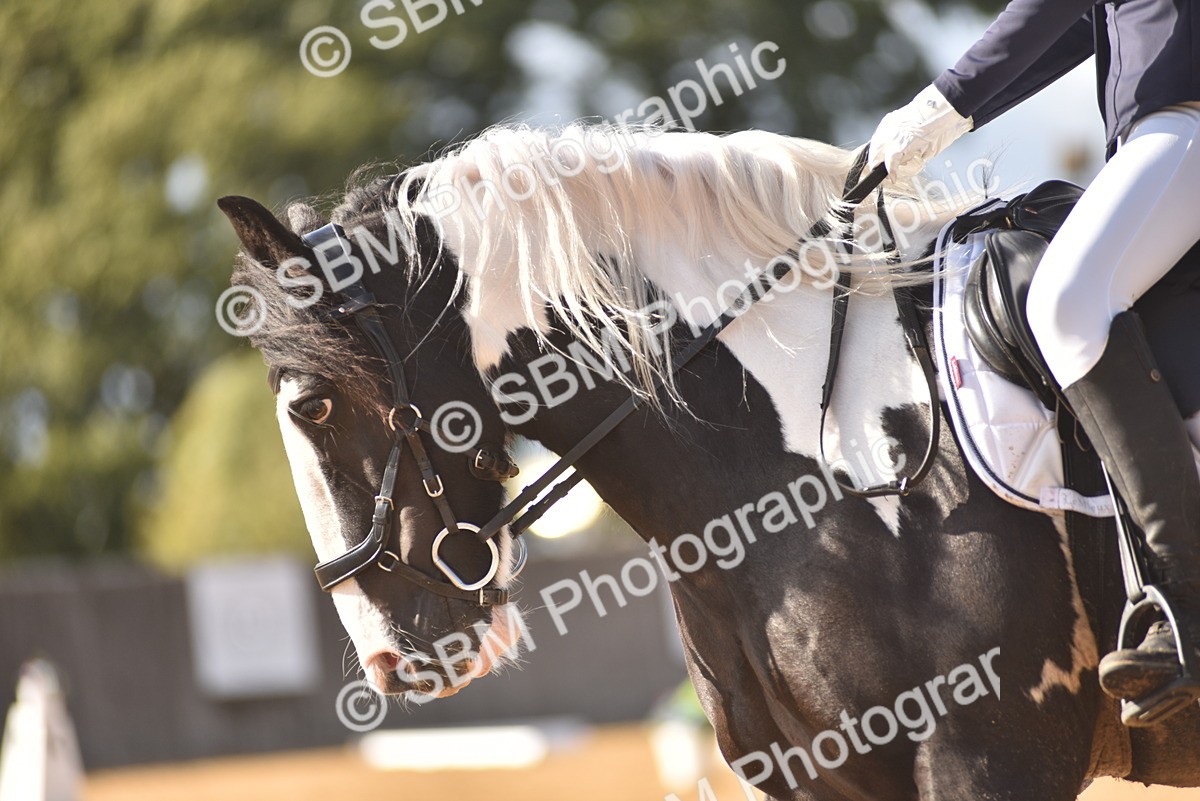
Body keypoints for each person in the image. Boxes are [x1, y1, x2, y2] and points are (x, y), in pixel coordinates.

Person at [868, 0, 1200, 725]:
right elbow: (1085, 23)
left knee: (1068, 302)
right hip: (1162, 127)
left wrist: (939, 105)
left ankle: (1184, 599)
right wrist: (954, 118)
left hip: (1185, 119)